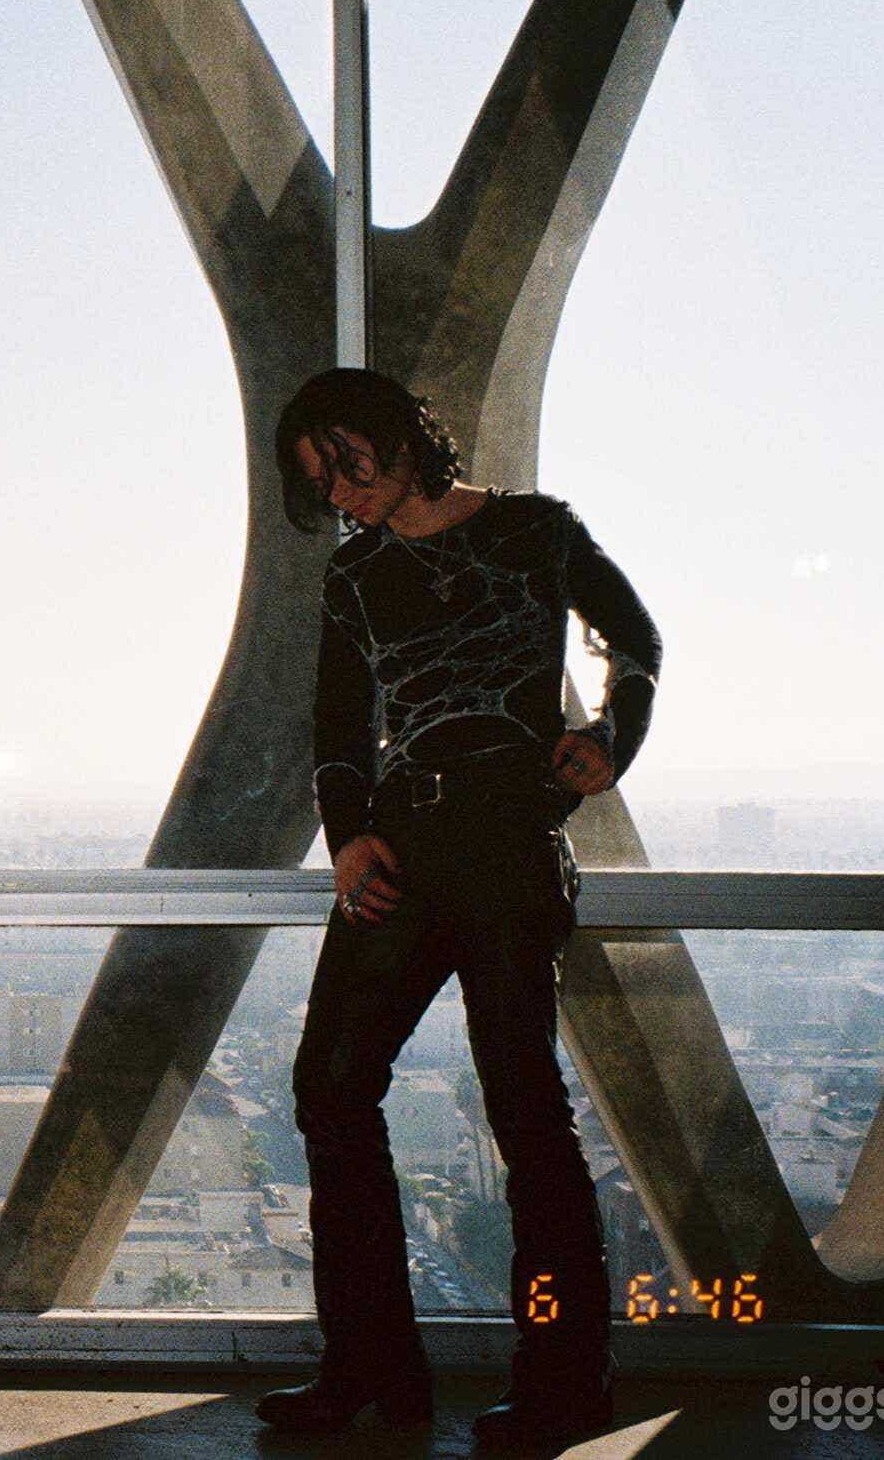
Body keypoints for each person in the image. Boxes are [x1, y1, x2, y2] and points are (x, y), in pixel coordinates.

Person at [250, 367, 661, 1447]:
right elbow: (337, 730)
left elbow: (638, 643)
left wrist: (610, 737)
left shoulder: (535, 531)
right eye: (320, 480)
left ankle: (564, 1380)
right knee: (328, 1091)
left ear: (397, 437)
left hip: (509, 850)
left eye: (348, 462)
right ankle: (370, 1370)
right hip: (402, 848)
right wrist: (347, 837)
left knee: (526, 1114)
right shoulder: (353, 576)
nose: (341, 492)